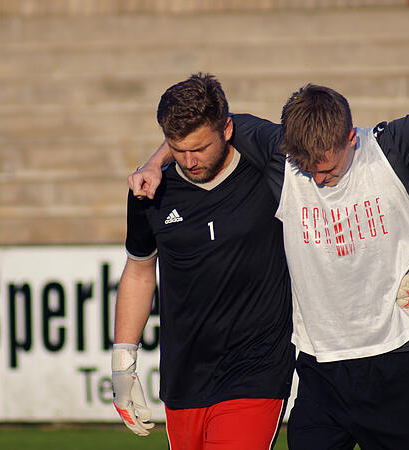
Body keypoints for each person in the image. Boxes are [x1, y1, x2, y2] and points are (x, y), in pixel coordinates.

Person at [132, 83, 409, 449]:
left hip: (397, 361)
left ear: (350, 138)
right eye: (307, 169)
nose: (318, 180)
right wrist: (154, 162)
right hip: (318, 371)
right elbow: (203, 124)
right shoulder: (279, 153)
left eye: (327, 169)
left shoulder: (389, 146)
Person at [111, 73, 295, 450]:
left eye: (200, 147)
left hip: (256, 371)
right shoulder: (149, 191)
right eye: (178, 149)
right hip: (184, 378)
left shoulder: (266, 173)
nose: (190, 161)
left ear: (227, 129)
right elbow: (140, 271)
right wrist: (122, 363)